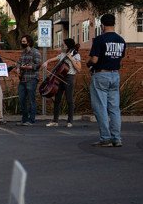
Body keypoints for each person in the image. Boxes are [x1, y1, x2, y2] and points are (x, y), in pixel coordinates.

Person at [86, 13, 126, 147]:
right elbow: (120, 58)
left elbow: (95, 59)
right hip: (115, 75)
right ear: (113, 23)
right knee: (114, 108)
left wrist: (88, 63)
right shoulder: (121, 40)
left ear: (102, 25)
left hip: (101, 75)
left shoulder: (99, 40)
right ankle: (117, 138)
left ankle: (105, 138)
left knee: (100, 107)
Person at [43, 38, 81, 128]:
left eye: (63, 44)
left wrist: (71, 59)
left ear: (67, 45)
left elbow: (79, 69)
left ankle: (70, 121)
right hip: (60, 78)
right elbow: (54, 59)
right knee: (57, 100)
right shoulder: (63, 54)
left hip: (69, 78)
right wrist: (47, 62)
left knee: (69, 100)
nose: (61, 45)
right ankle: (55, 121)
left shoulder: (76, 55)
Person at [15, 35, 41, 126]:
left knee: (31, 100)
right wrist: (18, 68)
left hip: (32, 78)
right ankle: (24, 119)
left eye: (24, 41)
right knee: (21, 99)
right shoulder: (23, 53)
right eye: (22, 41)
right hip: (22, 79)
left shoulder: (35, 52)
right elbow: (18, 62)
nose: (22, 43)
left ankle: (31, 120)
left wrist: (26, 67)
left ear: (28, 42)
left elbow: (37, 65)